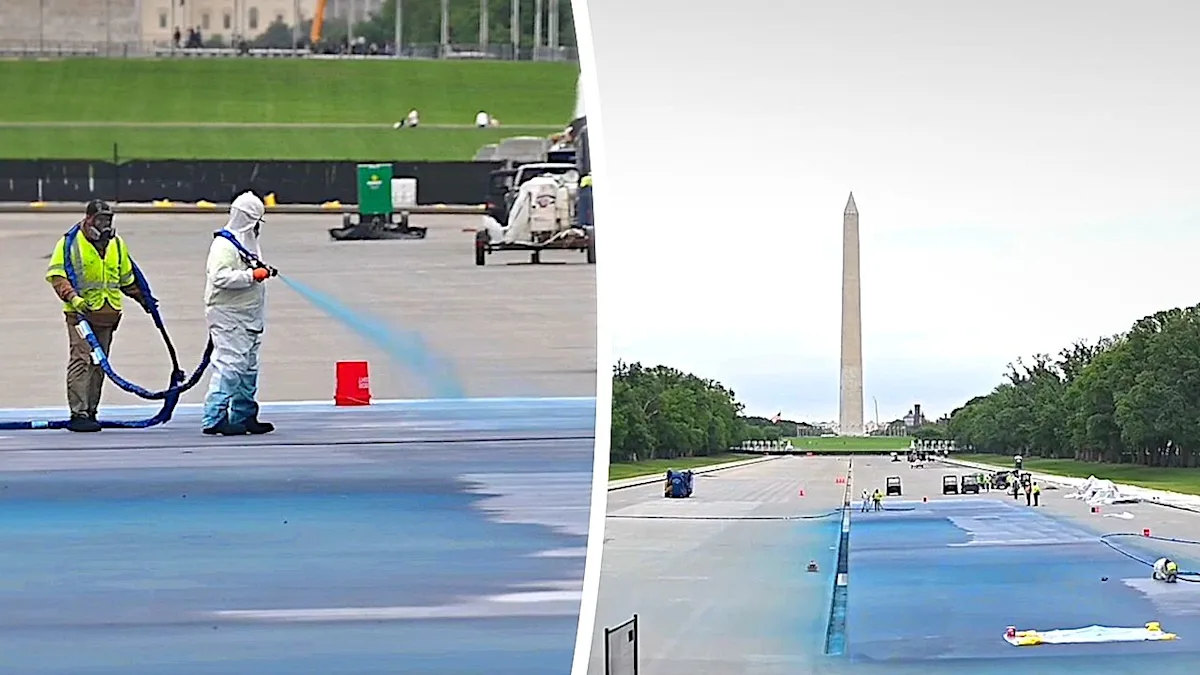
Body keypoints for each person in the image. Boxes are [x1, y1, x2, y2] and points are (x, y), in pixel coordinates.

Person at [46, 200, 150, 433]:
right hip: (81, 315)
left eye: (108, 220)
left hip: (107, 314)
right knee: (81, 359)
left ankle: (92, 410)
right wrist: (73, 298)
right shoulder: (69, 243)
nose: (104, 225)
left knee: (98, 362)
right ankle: (79, 412)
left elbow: (126, 279)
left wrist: (145, 300)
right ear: (89, 219)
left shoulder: (117, 244)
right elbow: (57, 275)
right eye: (100, 220)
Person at [201, 192, 276, 436]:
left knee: (248, 368)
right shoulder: (224, 245)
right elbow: (220, 277)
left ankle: (244, 415)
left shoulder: (247, 243)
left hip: (249, 316)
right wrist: (251, 276)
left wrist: (261, 270)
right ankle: (214, 417)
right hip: (229, 316)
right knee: (230, 365)